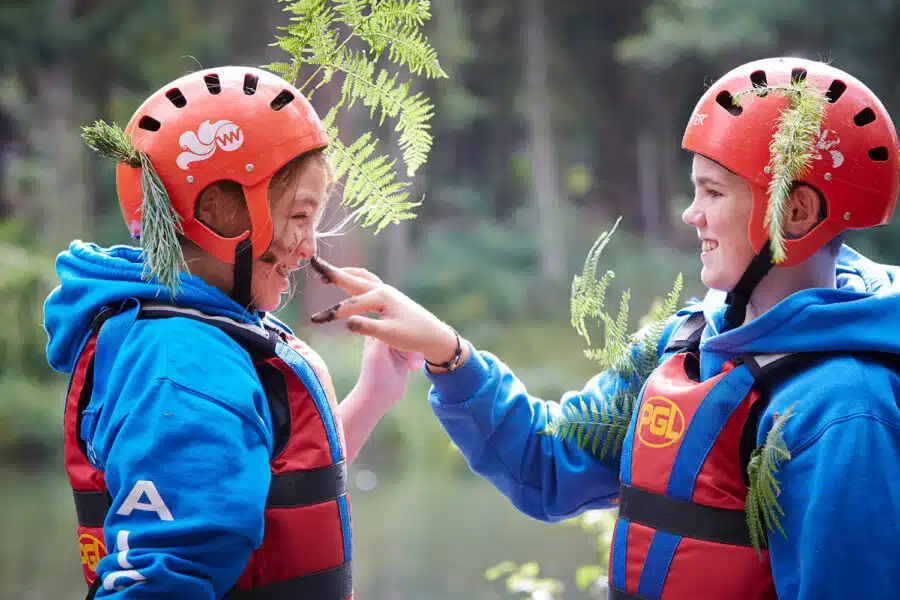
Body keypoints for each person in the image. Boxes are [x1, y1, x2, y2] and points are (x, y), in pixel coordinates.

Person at [308, 57, 900, 599]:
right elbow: (547, 463)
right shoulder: (690, 342)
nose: (690, 214)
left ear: (794, 213)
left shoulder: (845, 411)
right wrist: (448, 352)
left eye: (711, 192)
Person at [43, 66, 420, 599]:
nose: (309, 246)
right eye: (299, 216)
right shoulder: (179, 365)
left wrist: (375, 395)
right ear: (220, 210)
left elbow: (273, 486)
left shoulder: (201, 336)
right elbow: (161, 582)